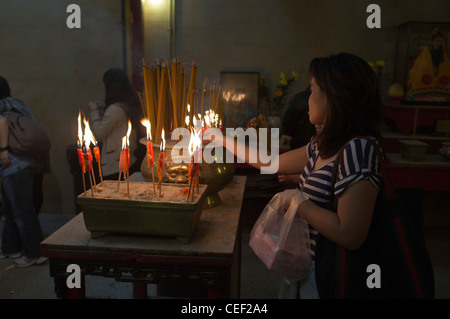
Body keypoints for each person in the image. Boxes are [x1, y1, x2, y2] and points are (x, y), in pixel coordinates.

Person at [207, 52, 383, 299]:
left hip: (335, 277)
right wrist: (220, 138)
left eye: (312, 90)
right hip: (311, 270)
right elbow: (272, 163)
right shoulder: (322, 144)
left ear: (334, 96)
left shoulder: (357, 149)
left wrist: (297, 201)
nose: (308, 99)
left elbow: (350, 234)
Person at [0, 75, 47, 267]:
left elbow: (1, 123)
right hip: (27, 162)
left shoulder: (1, 106)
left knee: (22, 211)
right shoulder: (18, 104)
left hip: (13, 164)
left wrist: (3, 151)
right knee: (12, 209)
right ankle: (11, 248)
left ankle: (35, 254)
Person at [88, 68, 145, 180]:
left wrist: (94, 111)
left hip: (115, 164)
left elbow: (99, 134)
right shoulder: (126, 104)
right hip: (129, 161)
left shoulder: (115, 109)